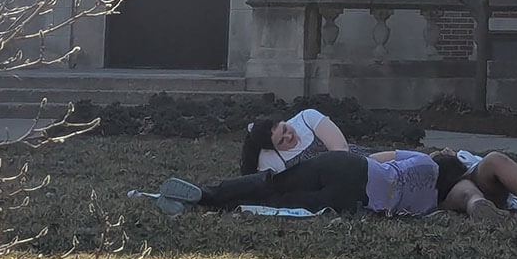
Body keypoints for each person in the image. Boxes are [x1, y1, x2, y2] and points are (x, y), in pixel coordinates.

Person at [157, 149, 441, 218]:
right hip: (354, 197)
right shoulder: (430, 205)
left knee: (273, 183)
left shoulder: (427, 161)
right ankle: (208, 207)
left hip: (350, 165)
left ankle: (207, 194)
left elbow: (379, 156)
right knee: (279, 204)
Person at [240, 108, 372, 175]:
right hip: (325, 186)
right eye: (281, 141)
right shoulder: (271, 160)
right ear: (273, 148)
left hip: (353, 161)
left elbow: (341, 150)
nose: (288, 136)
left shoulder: (307, 118)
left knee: (380, 164)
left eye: (285, 129)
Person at [430, 149, 517, 218]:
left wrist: (457, 155)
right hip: (443, 189)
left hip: (466, 176)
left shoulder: (463, 159)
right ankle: (481, 207)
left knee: (494, 159)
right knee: (468, 193)